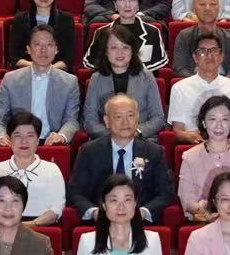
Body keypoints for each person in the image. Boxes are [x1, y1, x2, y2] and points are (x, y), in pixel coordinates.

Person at [68, 93, 172, 222]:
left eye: (130, 115)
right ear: (107, 121)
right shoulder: (89, 151)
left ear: (137, 118)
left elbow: (165, 193)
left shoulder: (153, 152)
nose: (125, 122)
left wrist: (143, 212)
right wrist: (95, 212)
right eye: (118, 117)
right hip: (101, 223)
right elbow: (75, 193)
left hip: (141, 223)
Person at [0, 24, 81, 144]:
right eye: (38, 44)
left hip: (52, 143)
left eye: (49, 45)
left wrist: (61, 136)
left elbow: (72, 120)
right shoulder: (10, 79)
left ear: (56, 49)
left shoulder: (69, 82)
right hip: (19, 143)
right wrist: (1, 137)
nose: (43, 50)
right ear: (28, 49)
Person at [177, 96, 230, 218]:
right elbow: (186, 201)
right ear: (203, 122)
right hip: (202, 222)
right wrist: (205, 211)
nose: (219, 126)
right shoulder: (189, 157)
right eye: (212, 119)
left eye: (225, 119)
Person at [0, 111, 67, 224]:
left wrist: (30, 225)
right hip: (2, 227)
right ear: (9, 139)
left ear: (37, 140)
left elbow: (57, 208)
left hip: (41, 228)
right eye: (18, 136)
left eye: (30, 136)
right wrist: (6, 224)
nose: (24, 141)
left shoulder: (52, 170)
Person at [82, 28, 167, 139]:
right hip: (105, 139)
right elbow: (89, 121)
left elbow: (158, 118)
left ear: (132, 51)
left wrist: (136, 132)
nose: (120, 52)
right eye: (114, 47)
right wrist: (114, 136)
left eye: (125, 47)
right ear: (106, 52)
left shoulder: (147, 77)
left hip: (141, 139)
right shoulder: (96, 79)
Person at [166, 30, 230, 140]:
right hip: (195, 144)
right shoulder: (179, 88)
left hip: (227, 143)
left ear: (221, 56)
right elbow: (177, 130)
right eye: (202, 51)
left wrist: (224, 139)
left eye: (214, 51)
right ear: (195, 58)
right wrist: (191, 137)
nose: (209, 55)